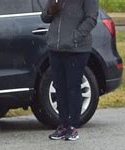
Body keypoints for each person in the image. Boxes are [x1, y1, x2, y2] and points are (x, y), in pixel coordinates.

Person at [41, 0, 98, 141]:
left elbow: (91, 18)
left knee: (73, 87)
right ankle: (63, 125)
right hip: (56, 48)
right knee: (60, 87)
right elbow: (45, 18)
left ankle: (73, 126)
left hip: (77, 50)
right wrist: (51, 8)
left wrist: (75, 37)